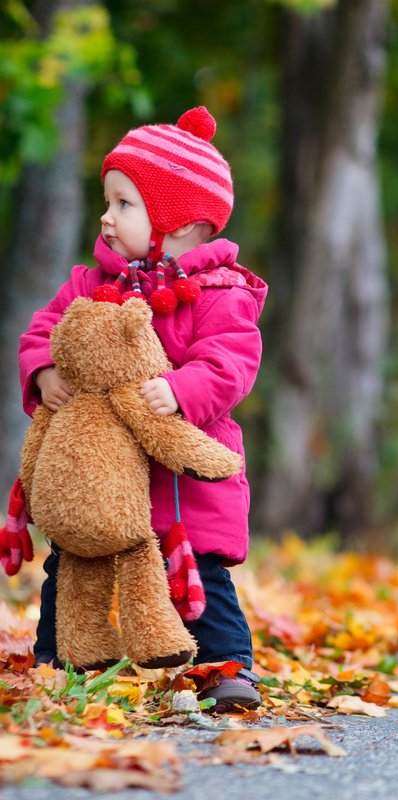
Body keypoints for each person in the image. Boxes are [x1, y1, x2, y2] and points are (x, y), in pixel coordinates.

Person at [18, 106, 268, 712]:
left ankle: (225, 669)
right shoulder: (90, 285)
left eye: (125, 204)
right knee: (71, 566)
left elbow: (232, 361)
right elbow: (42, 331)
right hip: (101, 479)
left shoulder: (219, 293)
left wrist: (183, 392)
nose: (106, 217)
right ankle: (61, 661)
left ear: (182, 222)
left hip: (184, 482)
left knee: (198, 578)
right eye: (107, 201)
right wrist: (45, 371)